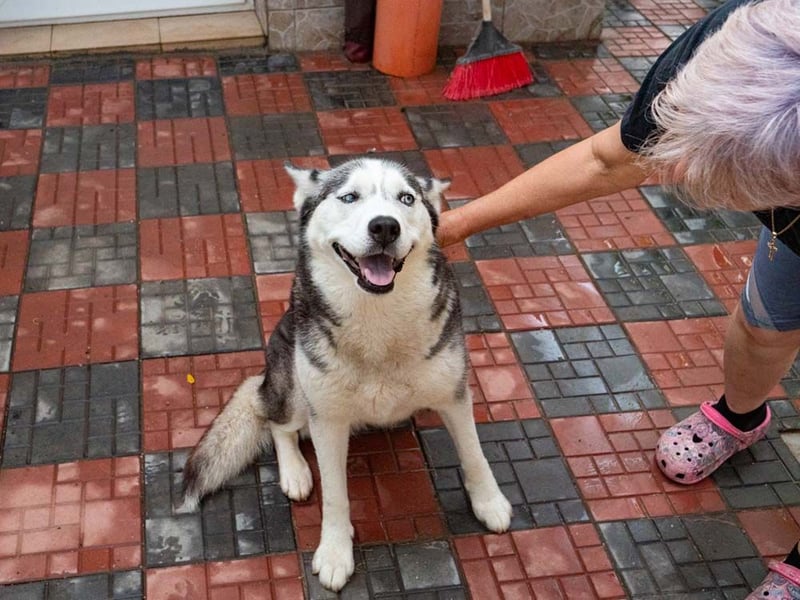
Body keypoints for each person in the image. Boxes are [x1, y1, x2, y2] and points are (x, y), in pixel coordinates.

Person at [436, 0, 800, 597]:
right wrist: (458, 225)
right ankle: (741, 416)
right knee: (765, 324)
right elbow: (608, 160)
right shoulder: (732, 53)